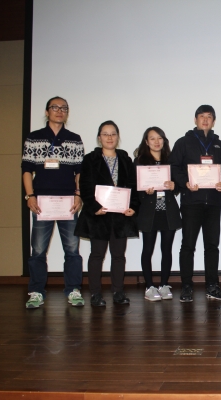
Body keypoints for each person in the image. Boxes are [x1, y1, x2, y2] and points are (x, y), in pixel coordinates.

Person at [21, 96, 85, 309]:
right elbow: (26, 170)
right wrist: (30, 196)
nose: (60, 111)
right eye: (55, 107)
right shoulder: (34, 137)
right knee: (38, 250)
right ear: (47, 111)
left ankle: (73, 290)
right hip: (42, 201)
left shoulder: (74, 139)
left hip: (68, 201)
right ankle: (36, 291)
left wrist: (78, 194)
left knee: (72, 249)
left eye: (64, 108)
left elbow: (79, 171)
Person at [74, 121, 139, 307]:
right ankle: (95, 294)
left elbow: (133, 187)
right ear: (99, 138)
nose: (109, 137)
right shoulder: (90, 159)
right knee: (97, 255)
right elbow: (85, 186)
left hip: (120, 216)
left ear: (118, 137)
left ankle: (118, 292)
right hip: (99, 215)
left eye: (113, 134)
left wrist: (133, 206)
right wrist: (94, 206)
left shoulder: (125, 159)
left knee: (119, 256)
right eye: (105, 134)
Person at [170, 105, 221, 302]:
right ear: (195, 120)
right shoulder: (183, 143)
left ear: (213, 121)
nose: (205, 120)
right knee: (188, 245)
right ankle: (186, 286)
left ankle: (212, 285)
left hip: (213, 203)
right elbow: (174, 167)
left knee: (212, 245)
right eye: (201, 116)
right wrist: (185, 182)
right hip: (191, 202)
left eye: (209, 117)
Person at [134, 127, 181, 302]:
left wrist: (175, 186)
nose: (156, 142)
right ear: (146, 142)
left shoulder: (171, 161)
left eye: (159, 138)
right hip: (149, 212)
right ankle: (149, 286)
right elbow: (134, 189)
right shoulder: (139, 162)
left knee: (166, 249)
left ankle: (164, 284)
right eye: (152, 138)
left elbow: (179, 183)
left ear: (164, 140)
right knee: (147, 249)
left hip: (168, 211)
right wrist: (144, 191)